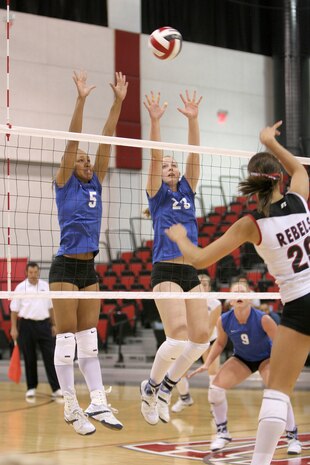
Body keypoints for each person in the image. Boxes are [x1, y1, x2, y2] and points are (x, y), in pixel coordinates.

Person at [165, 120, 310, 465]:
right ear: (280, 178)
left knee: (277, 393)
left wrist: (180, 238)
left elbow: (199, 258)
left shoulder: (250, 225)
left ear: (252, 184)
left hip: (300, 304)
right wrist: (269, 142)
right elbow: (299, 168)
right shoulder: (300, 199)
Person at [49, 70, 128, 435]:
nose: (85, 161)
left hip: (89, 269)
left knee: (89, 342)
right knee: (66, 343)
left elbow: (107, 137)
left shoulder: (96, 178)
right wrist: (81, 100)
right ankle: (70, 405)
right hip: (64, 267)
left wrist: (118, 101)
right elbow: (72, 141)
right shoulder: (64, 183)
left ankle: (98, 402)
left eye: (86, 159)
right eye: (80, 158)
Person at [140, 90, 211, 426]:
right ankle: (150, 387)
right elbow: (154, 158)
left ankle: (167, 388)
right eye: (165, 165)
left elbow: (194, 154)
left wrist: (193, 119)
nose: (169, 168)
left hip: (190, 271)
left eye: (173, 165)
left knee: (201, 337)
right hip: (165, 269)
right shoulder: (156, 195)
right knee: (178, 335)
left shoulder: (187, 188)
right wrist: (155, 121)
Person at [189, 281, 301, 455]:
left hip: (267, 358)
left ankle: (292, 437)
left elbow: (281, 343)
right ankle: (223, 433)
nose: (240, 294)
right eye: (235, 292)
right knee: (215, 388)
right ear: (230, 300)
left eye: (243, 291)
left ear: (251, 298)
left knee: (278, 393)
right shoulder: (224, 320)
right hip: (243, 359)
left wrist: (286, 367)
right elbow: (219, 343)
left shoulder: (263, 319)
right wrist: (207, 363)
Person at [10, 262, 62, 401]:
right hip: (26, 326)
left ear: (39, 272)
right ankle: (31, 387)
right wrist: (14, 327)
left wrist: (54, 324)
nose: (33, 275)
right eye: (30, 272)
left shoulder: (46, 286)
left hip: (44, 325)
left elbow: (51, 308)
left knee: (50, 357)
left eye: (35, 272)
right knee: (29, 358)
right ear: (26, 273)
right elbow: (14, 310)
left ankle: (56, 388)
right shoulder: (20, 288)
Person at [171, 273, 222, 413]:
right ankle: (184, 398)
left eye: (204, 284)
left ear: (209, 287)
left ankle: (214, 405)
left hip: (209, 340)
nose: (201, 287)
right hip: (190, 339)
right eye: (198, 284)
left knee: (213, 373)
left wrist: (200, 347)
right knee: (177, 370)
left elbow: (210, 328)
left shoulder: (215, 303)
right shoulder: (186, 300)